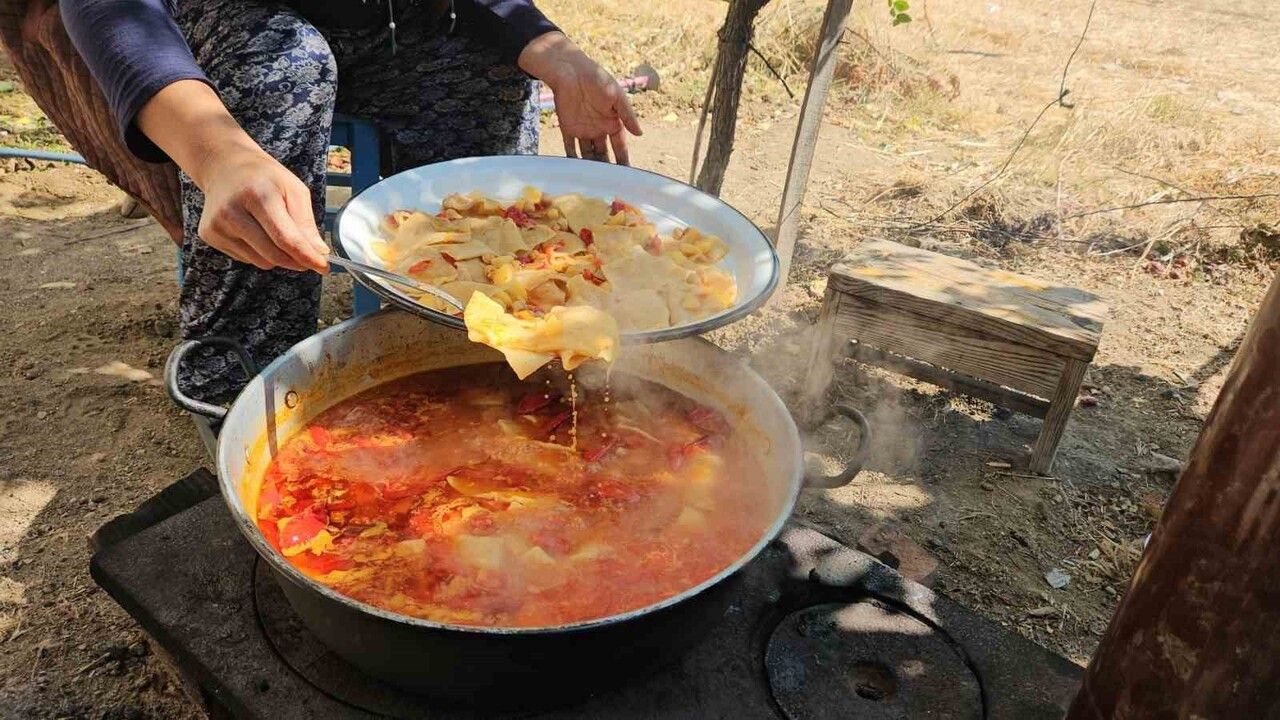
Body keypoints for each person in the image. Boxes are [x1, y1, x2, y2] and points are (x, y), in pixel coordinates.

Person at [60, 0, 642, 402]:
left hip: (396, 27)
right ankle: (240, 384)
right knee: (285, 69)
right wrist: (215, 153)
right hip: (242, 30)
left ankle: (475, 353)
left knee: (489, 73)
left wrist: (550, 50)